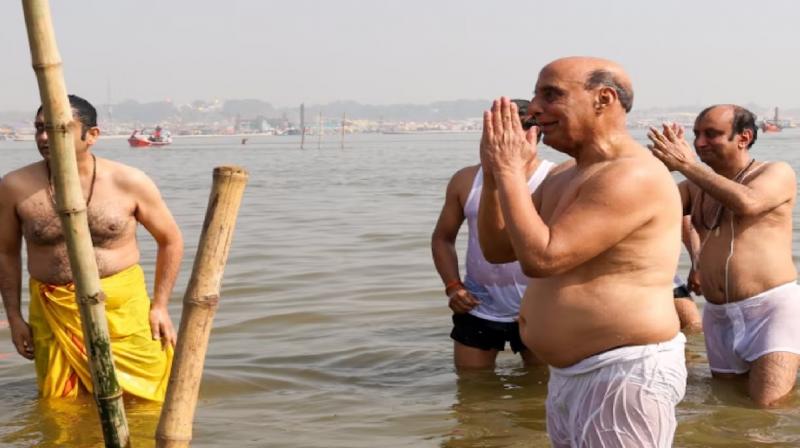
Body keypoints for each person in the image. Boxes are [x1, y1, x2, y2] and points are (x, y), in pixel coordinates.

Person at [479, 57, 686, 447]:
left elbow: (543, 259)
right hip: (570, 374)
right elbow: (498, 248)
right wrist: (493, 175)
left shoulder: (631, 174)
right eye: (537, 94)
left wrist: (509, 172)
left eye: (551, 94)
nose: (535, 108)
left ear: (603, 99)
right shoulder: (564, 174)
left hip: (623, 373)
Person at [0, 95, 183, 401]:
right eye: (39, 129)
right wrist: (15, 317)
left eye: (58, 129)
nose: (44, 138)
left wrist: (161, 305)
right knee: (63, 411)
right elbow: (5, 253)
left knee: (146, 404)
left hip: (123, 312)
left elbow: (171, 240)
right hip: (54, 312)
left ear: (92, 135)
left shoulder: (129, 181)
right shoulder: (15, 186)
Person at [647, 105, 800, 407]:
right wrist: (653, 169)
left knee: (767, 410)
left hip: (770, 311)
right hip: (718, 316)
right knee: (726, 408)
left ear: (743, 137)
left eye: (711, 134)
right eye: (696, 135)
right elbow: (645, 207)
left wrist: (687, 165)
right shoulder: (695, 186)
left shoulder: (776, 172)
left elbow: (748, 202)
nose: (700, 143)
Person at [431, 99, 554, 370]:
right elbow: (442, 238)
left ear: (533, 135)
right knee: (472, 395)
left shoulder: (554, 179)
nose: (502, 140)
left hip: (539, 305)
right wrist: (453, 286)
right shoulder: (465, 180)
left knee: (539, 394)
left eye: (512, 131)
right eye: (495, 131)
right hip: (478, 303)